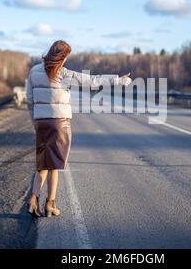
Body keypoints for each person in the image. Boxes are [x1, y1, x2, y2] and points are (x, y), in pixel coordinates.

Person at [26, 40, 132, 217]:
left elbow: (29, 99)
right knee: (55, 165)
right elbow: (92, 81)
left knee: (42, 164)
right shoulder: (64, 73)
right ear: (62, 56)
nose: (66, 60)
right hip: (59, 123)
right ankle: (50, 205)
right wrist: (118, 80)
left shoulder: (34, 71)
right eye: (66, 56)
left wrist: (34, 122)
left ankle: (32, 200)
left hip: (41, 122)